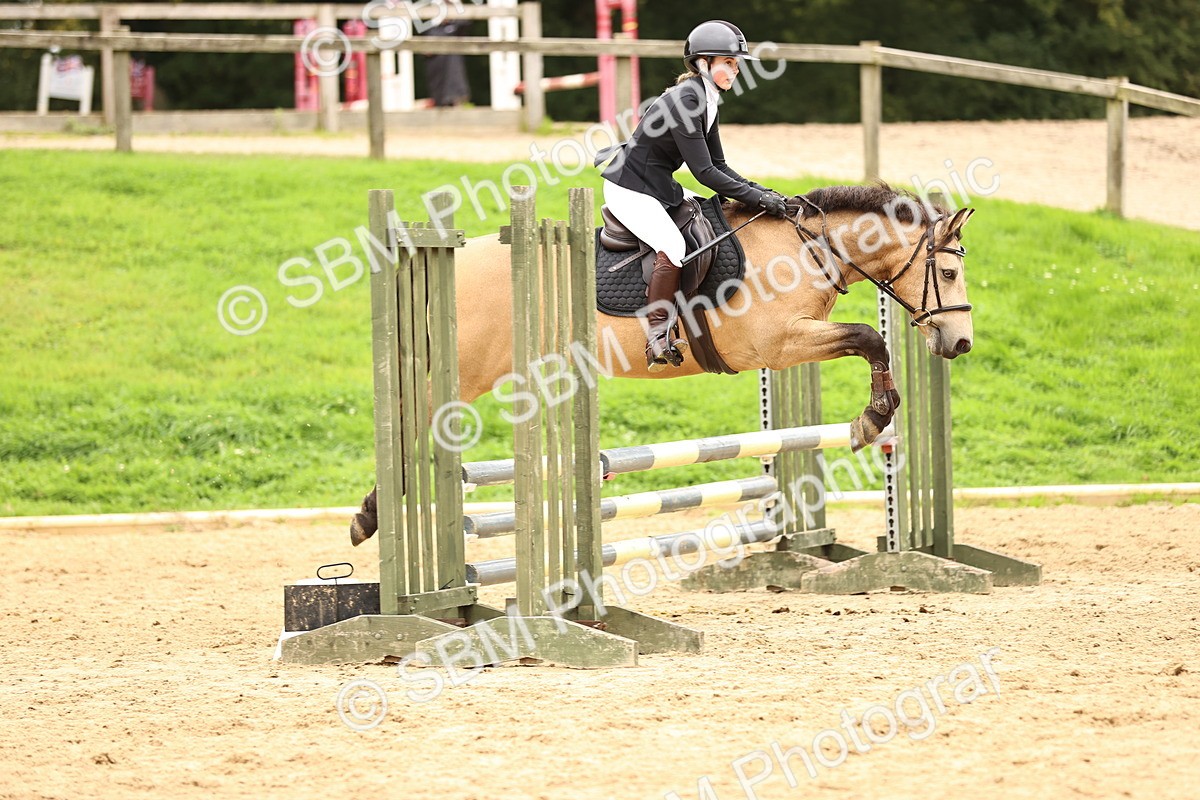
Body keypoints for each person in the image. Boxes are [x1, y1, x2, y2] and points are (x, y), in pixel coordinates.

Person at [596, 20, 789, 371]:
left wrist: (763, 192)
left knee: (708, 216)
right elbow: (705, 173)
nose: (736, 70)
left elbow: (719, 164)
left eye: (736, 63)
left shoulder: (707, 99)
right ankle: (657, 336)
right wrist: (758, 200)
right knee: (673, 245)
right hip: (630, 188)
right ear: (703, 63)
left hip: (656, 183)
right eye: (728, 62)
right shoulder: (687, 100)